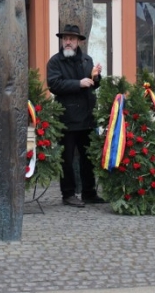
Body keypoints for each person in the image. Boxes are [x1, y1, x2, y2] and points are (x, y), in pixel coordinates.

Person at [46, 24, 105, 207]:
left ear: (79, 41)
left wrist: (96, 78)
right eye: (65, 38)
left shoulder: (87, 60)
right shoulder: (55, 62)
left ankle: (89, 192)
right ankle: (68, 194)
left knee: (88, 158)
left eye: (71, 38)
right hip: (67, 118)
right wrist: (79, 83)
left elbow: (92, 85)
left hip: (87, 118)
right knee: (67, 159)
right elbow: (54, 85)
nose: (68, 42)